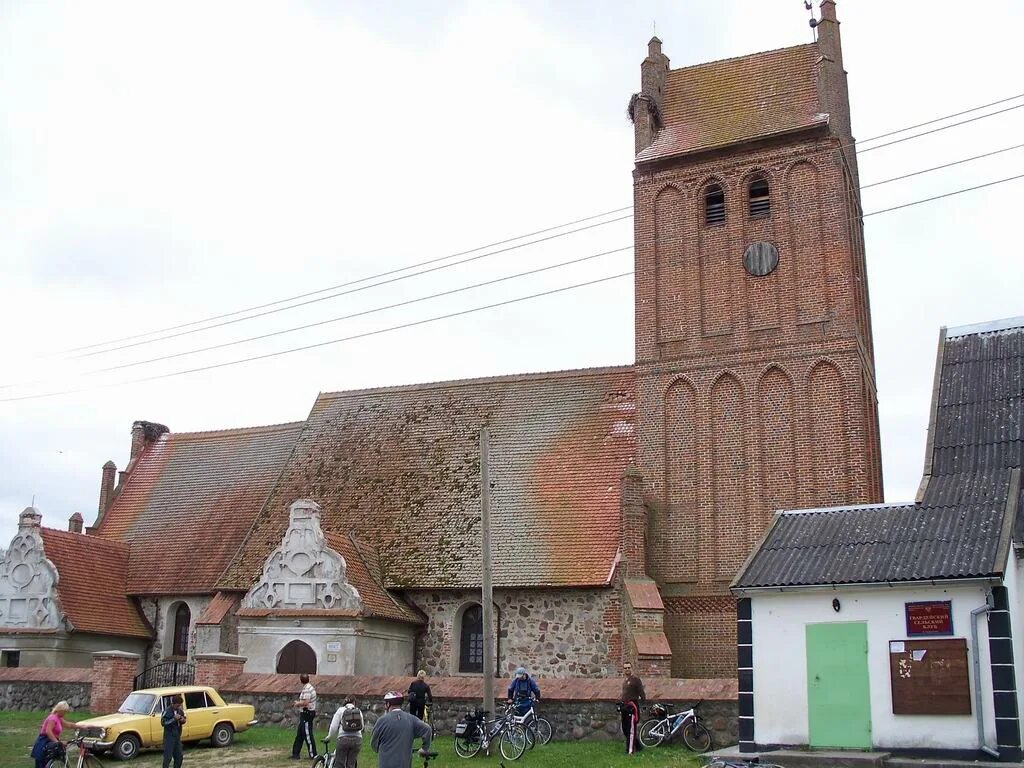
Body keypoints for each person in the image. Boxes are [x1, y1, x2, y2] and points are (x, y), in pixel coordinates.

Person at [371, 691, 432, 768]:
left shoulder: (382, 721)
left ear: (388, 704)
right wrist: (424, 748)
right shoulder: (411, 719)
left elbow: (374, 744)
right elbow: (427, 729)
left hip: (385, 763)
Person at [326, 696, 363, 768]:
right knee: (351, 764)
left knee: (340, 763)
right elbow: (362, 727)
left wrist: (329, 736)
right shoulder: (358, 711)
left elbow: (333, 726)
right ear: (354, 702)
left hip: (343, 739)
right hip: (357, 740)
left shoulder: (340, 710)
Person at [31, 701, 69, 768]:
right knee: (42, 762)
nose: (65, 713)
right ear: (60, 710)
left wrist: (81, 725)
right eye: (64, 711)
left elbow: (69, 725)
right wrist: (58, 742)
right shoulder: (53, 718)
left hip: (50, 742)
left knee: (47, 761)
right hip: (44, 742)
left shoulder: (58, 718)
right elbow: (48, 731)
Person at [620, 662, 646, 755]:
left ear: (631, 668)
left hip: (632, 707)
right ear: (623, 669)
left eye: (628, 667)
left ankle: (630, 750)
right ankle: (639, 746)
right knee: (625, 729)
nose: (627, 669)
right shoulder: (625, 681)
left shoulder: (636, 680)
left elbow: (642, 693)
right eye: (625, 668)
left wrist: (643, 705)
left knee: (631, 729)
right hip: (625, 707)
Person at [291, 673, 318, 760]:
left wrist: (297, 703)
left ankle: (313, 754)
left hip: (307, 714)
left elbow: (306, 702)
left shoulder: (307, 689)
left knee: (307, 734)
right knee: (300, 734)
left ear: (301, 680)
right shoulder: (309, 687)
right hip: (306, 713)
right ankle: (295, 753)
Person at [160, 694, 187, 768]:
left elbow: (184, 719)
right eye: (177, 705)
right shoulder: (167, 711)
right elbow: (163, 723)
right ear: (173, 704)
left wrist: (182, 720)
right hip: (169, 737)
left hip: (177, 736)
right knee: (167, 758)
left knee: (179, 757)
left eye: (180, 705)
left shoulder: (180, 711)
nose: (179, 707)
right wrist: (173, 719)